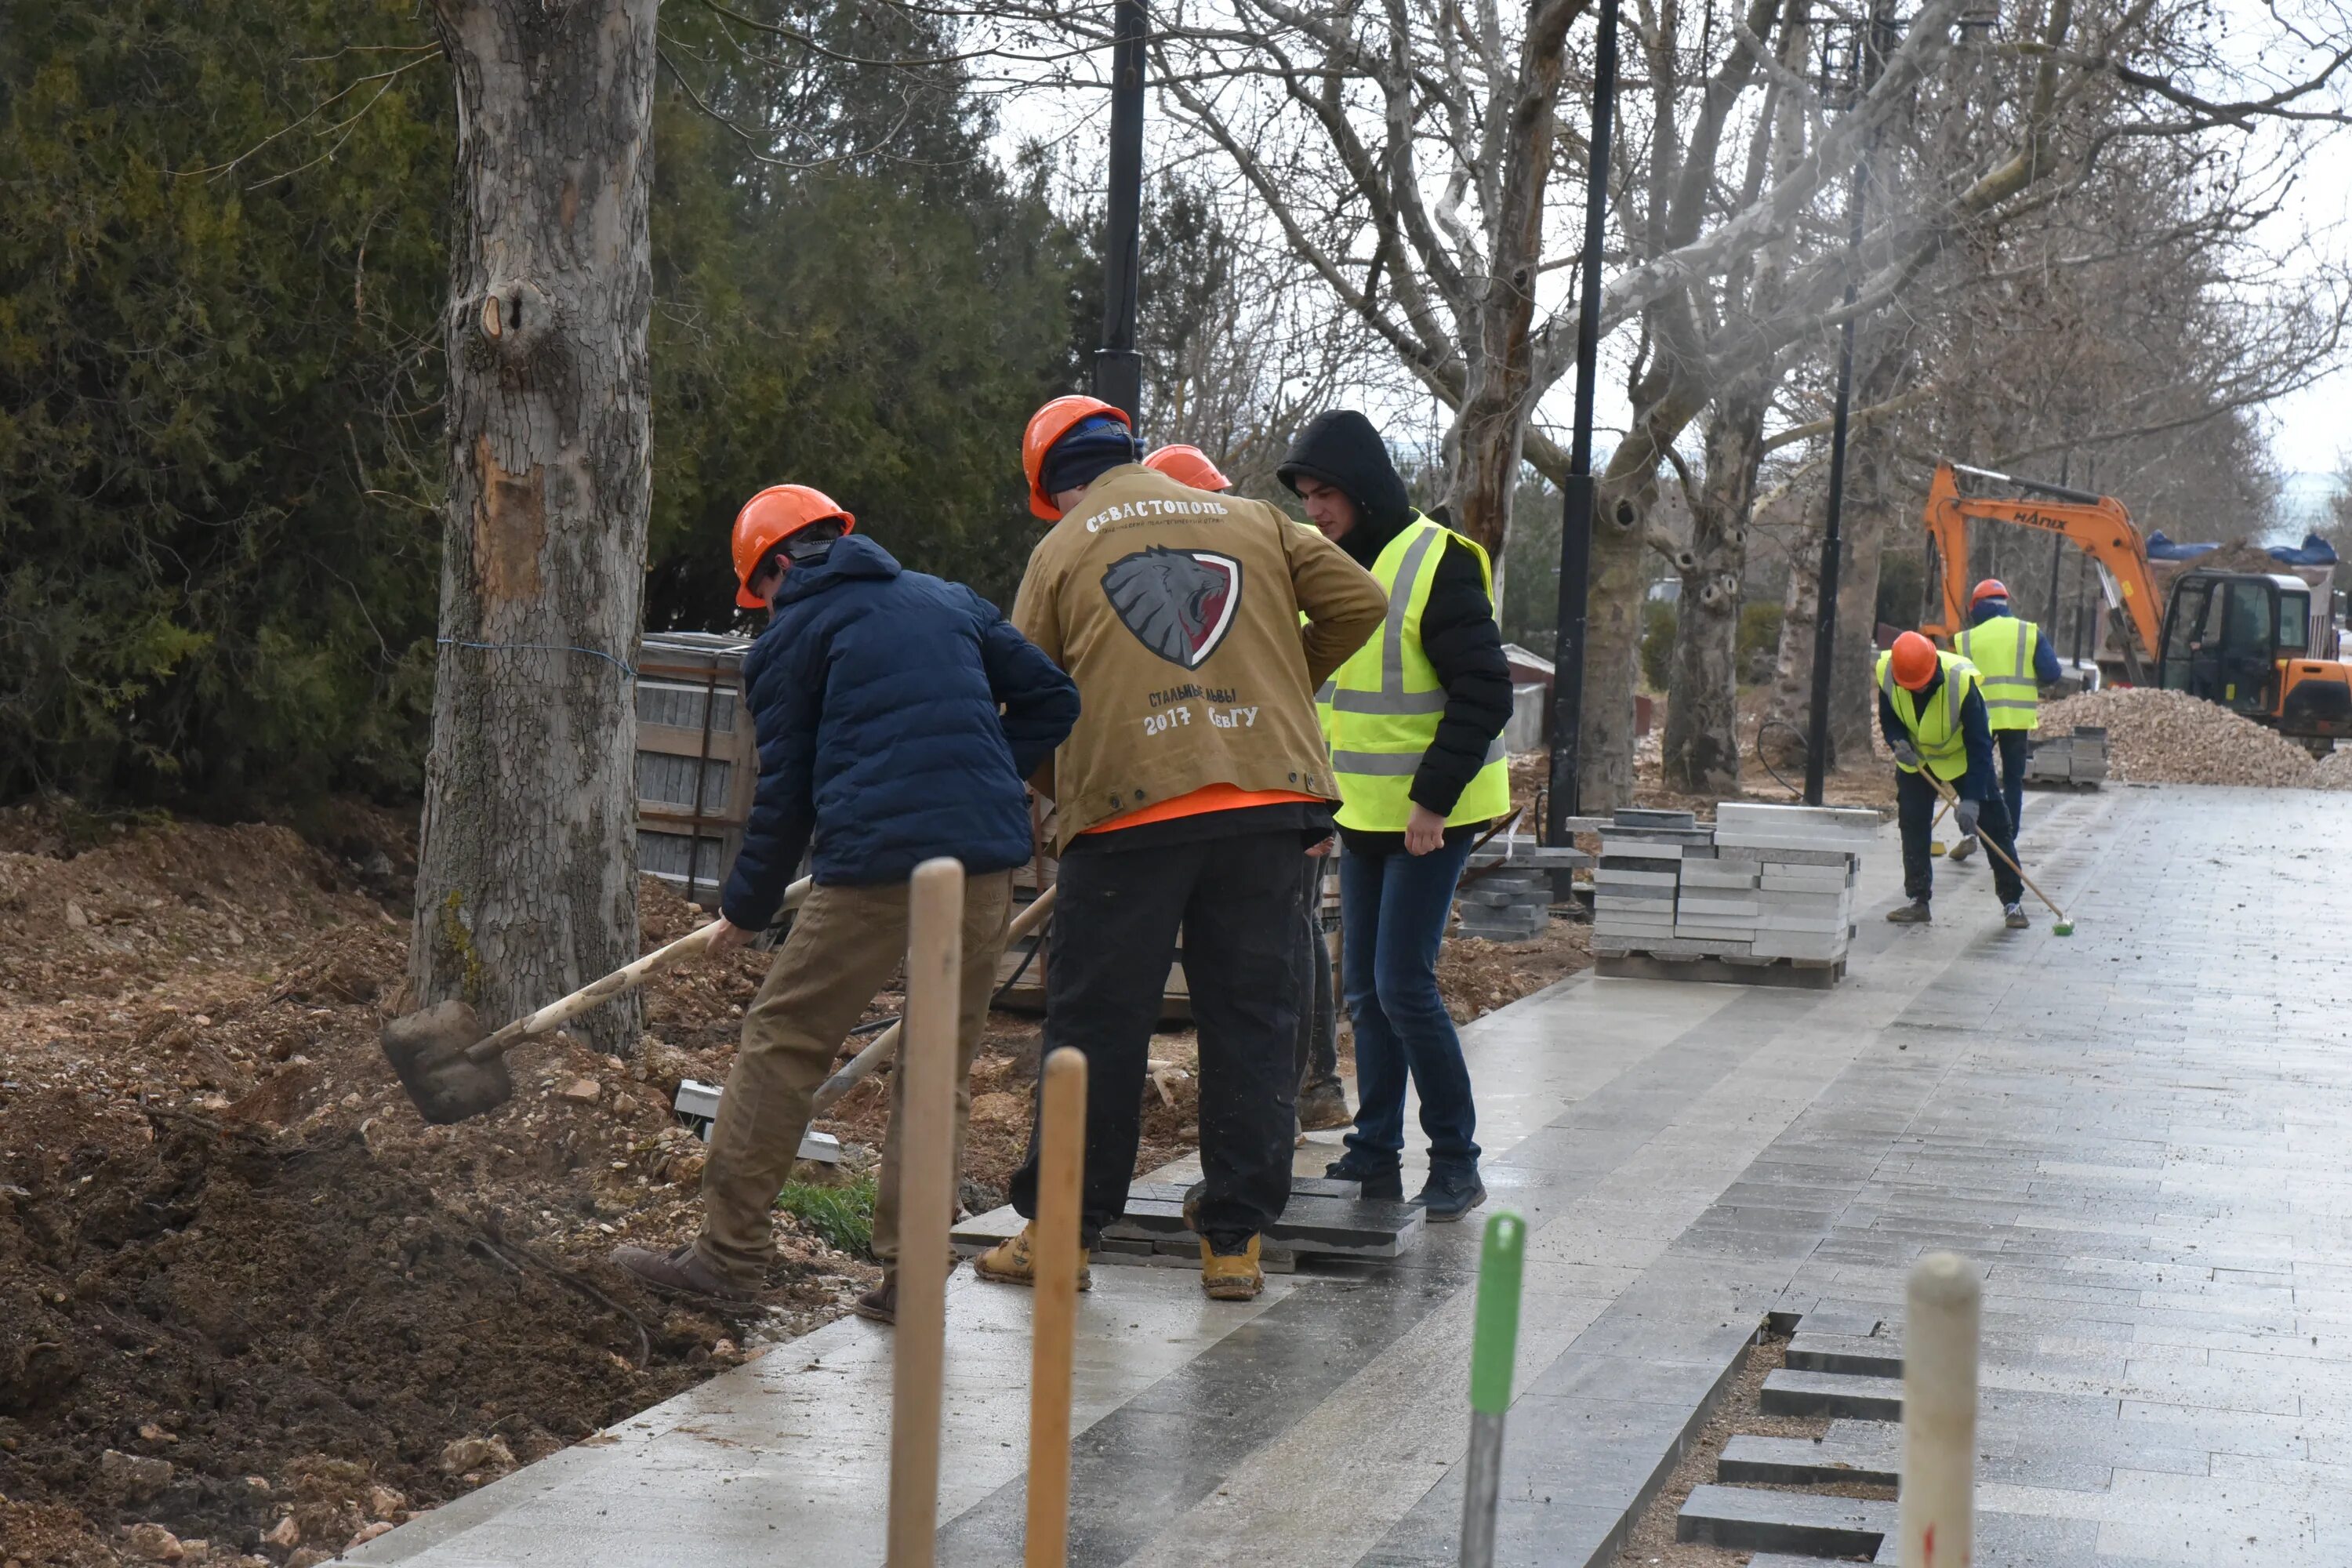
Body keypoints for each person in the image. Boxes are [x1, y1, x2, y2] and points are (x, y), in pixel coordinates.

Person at [614, 484, 1078, 1322]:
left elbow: (783, 796)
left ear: (781, 567)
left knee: (784, 1040)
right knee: (936, 1062)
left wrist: (744, 909)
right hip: (979, 861)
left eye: (764, 591)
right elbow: (1054, 697)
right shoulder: (949, 600)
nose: (766, 608)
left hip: (873, 866)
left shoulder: (792, 638)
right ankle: (914, 1279)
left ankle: (727, 1256)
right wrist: (979, 773)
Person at [975, 396, 1386, 1302]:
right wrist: (1274, 691)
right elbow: (1362, 600)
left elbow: (1029, 693)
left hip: (1129, 816)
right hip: (1267, 809)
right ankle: (1234, 1243)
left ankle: (1064, 1235)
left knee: (1096, 1025)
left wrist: (1065, 782)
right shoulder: (1253, 520)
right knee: (1252, 1020)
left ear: (1056, 486)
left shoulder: (1065, 547)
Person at [1279, 410, 1514, 1223]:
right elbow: (1327, 702)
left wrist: (1432, 804)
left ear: (1365, 487)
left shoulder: (1438, 561)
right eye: (1307, 497)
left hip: (1429, 811)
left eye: (1327, 494)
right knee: (1364, 992)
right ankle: (1374, 1152)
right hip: (1365, 811)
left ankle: (1456, 1158)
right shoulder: (1329, 564)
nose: (1317, 510)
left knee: (1402, 985)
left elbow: (1486, 690)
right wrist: (1318, 806)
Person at [1143, 442, 1349, 1133]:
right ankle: (1309, 1091)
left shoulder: (1226, 570)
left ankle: (1301, 1093)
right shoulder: (1251, 557)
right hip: (1282, 783)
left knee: (1287, 945)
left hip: (1271, 784)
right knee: (1293, 937)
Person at [1878, 630, 2027, 930]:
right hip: (1917, 759)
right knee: (1913, 820)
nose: (1916, 692)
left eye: (1920, 687)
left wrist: (1971, 799)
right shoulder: (1888, 673)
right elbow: (1889, 717)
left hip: (1961, 755)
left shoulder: (1961, 683)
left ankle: (2013, 901)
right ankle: (1918, 900)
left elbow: (1980, 743)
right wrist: (1897, 742)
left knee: (1994, 823)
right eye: (1911, 688)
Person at [1947, 577, 2062, 861]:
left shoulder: (1966, 639)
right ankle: (2007, 840)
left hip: (1978, 719)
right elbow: (2052, 673)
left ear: (1977, 606)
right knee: (2012, 780)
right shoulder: (2029, 632)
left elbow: (1954, 679)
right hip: (2017, 718)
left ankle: (1971, 832)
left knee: (1976, 775)